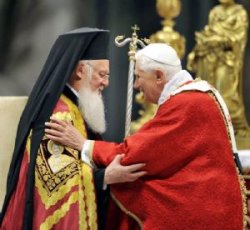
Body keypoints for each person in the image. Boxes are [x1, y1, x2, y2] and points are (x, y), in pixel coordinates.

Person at [45, 43, 247, 229]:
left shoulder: (188, 103)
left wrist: (84, 144)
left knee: (128, 185)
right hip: (211, 203)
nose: (136, 85)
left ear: (159, 76)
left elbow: (134, 155)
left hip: (205, 210)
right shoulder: (194, 97)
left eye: (139, 76)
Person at [0, 28, 146, 230]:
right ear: (80, 71)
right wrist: (105, 177)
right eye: (102, 74)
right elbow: (56, 185)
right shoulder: (59, 114)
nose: (106, 82)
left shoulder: (76, 107)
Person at [187, 0, 250, 147]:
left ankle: (232, 129)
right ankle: (210, 128)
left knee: (226, 93)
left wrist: (219, 39)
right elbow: (209, 31)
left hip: (228, 59)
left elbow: (238, 37)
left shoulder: (239, 12)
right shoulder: (215, 11)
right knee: (208, 92)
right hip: (211, 57)